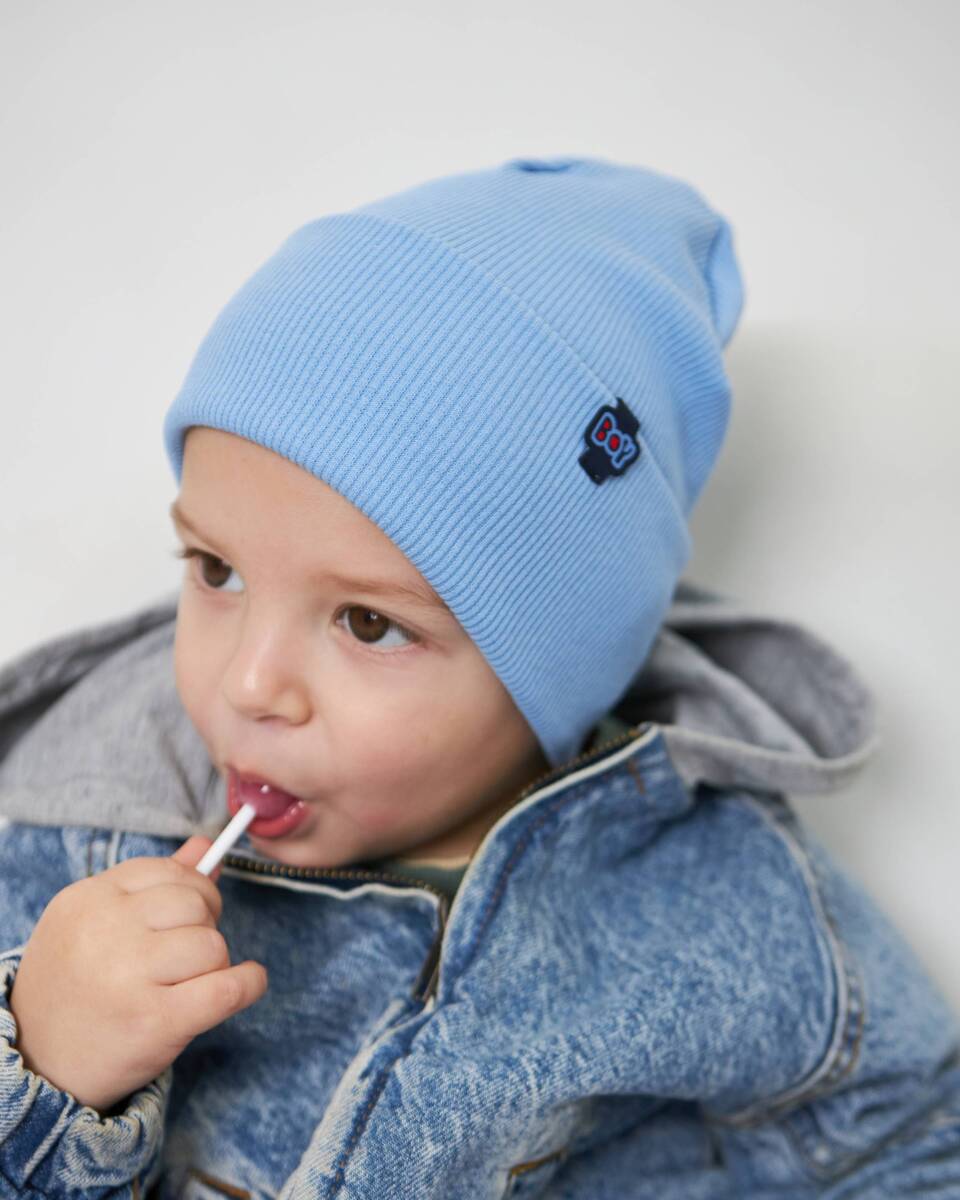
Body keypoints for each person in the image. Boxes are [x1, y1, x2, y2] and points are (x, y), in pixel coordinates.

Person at [1, 156, 958, 1200]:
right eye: (217, 570)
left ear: (559, 667)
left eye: (369, 622)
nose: (249, 684)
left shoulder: (725, 897)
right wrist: (48, 1068)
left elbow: (906, 1143)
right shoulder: (82, 831)